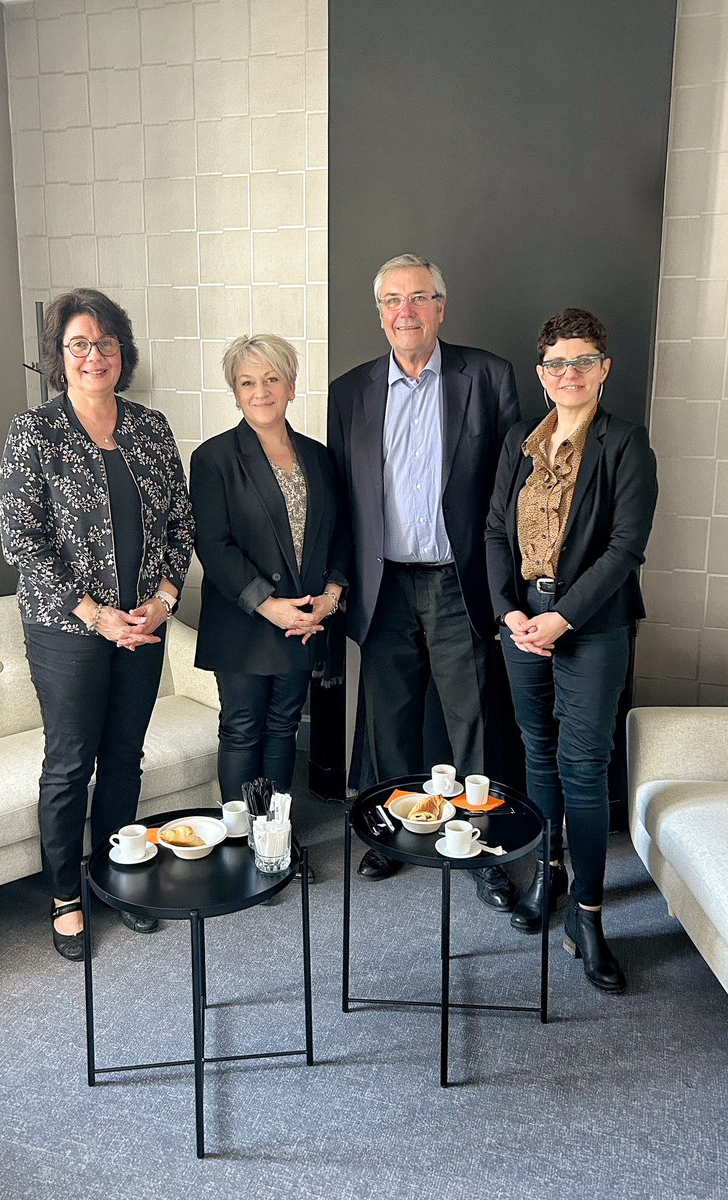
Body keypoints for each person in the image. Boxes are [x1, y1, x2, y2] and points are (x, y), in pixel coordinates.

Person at [0, 288, 194, 961]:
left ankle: (113, 877)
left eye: (106, 343)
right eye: (79, 343)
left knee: (124, 756)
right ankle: (65, 896)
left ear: (123, 352)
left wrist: (164, 599)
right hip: (68, 632)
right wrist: (94, 614)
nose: (94, 355)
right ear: (59, 355)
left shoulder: (150, 426)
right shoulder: (36, 433)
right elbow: (22, 539)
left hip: (146, 623)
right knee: (70, 761)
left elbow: (179, 522)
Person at [327, 252, 521, 907]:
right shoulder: (347, 391)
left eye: (417, 298)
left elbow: (505, 495)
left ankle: (476, 844)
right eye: (391, 301)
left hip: (454, 582)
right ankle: (390, 836)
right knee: (389, 721)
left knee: (472, 722)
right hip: (382, 586)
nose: (403, 312)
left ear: (439, 307)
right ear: (379, 313)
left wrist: (504, 588)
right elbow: (340, 500)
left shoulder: (487, 376)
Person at [485, 307, 658, 993]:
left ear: (603, 369)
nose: (568, 373)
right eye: (556, 362)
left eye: (581, 361)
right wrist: (508, 611)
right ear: (541, 372)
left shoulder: (624, 444)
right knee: (536, 752)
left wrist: (561, 621)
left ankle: (587, 914)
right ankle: (546, 877)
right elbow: (495, 530)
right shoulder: (518, 444)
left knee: (583, 767)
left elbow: (626, 549)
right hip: (521, 620)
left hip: (592, 623)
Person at [190, 334, 347, 825]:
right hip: (245, 621)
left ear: (292, 386)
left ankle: (275, 837)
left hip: (306, 619)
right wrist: (268, 605)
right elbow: (213, 545)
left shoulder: (319, 457)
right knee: (242, 728)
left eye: (272, 379)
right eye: (247, 382)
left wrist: (330, 598)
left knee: (284, 729)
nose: (261, 391)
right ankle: (241, 841)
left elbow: (341, 533)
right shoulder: (213, 458)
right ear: (235, 394)